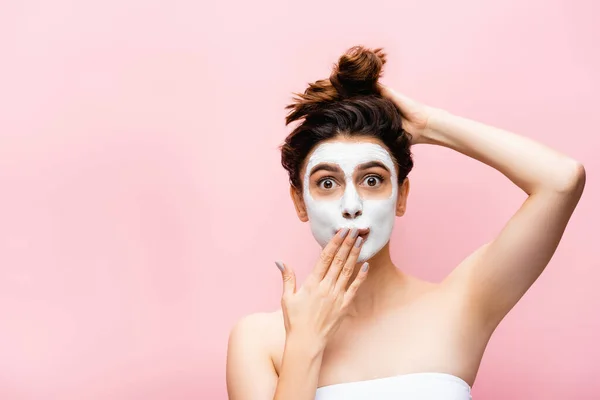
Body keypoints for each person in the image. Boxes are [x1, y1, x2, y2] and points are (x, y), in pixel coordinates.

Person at [225, 46, 586, 400]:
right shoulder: (259, 340)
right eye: (327, 183)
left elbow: (560, 180)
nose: (352, 206)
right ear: (299, 201)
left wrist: (430, 125)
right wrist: (305, 344)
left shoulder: (460, 305)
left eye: (372, 179)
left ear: (401, 196)